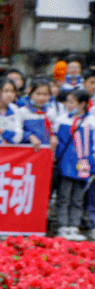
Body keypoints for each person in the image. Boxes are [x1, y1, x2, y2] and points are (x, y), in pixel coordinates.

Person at [55, 90, 92, 241]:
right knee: (64, 195)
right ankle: (62, 225)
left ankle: (74, 226)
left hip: (84, 162)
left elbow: (92, 145)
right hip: (66, 163)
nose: (68, 105)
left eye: (72, 102)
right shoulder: (62, 119)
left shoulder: (91, 122)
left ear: (82, 104)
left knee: (78, 196)